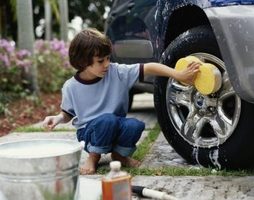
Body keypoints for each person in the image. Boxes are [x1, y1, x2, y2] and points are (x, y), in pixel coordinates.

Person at [42, 28, 200, 175]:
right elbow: (68, 113)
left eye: (108, 58)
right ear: (83, 62)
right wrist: (57, 118)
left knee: (134, 125)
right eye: (100, 61)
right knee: (107, 120)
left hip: (115, 125)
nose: (106, 64)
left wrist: (178, 75)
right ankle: (93, 156)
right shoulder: (71, 87)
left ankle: (119, 155)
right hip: (89, 133)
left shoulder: (116, 72)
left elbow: (149, 67)